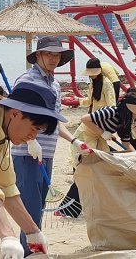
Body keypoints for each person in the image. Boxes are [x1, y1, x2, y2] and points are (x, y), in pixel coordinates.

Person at [0, 82, 63, 258]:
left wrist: (32, 232)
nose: (33, 137)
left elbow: (6, 188)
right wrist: (8, 237)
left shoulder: (1, 128)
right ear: (15, 113)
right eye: (34, 128)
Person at [12, 36, 90, 256]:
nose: (54, 59)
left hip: (47, 153)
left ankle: (32, 252)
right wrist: (29, 140)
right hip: (26, 153)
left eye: (57, 55)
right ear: (38, 55)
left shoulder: (55, 84)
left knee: (38, 209)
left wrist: (75, 141)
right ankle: (31, 254)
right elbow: (14, 116)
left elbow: (55, 123)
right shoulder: (27, 80)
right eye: (49, 54)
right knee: (31, 210)